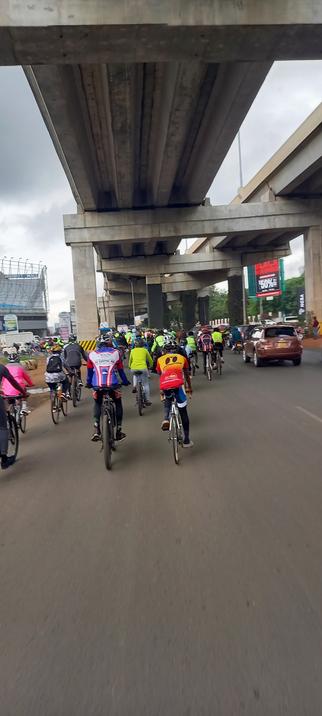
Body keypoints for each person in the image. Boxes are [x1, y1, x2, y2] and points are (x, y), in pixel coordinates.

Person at [86, 334, 130, 442]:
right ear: (109, 343)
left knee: (97, 403)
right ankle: (119, 430)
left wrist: (88, 383)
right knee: (118, 402)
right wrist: (125, 382)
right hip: (113, 385)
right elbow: (120, 371)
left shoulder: (91, 354)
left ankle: (96, 428)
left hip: (97, 385)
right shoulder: (116, 353)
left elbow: (89, 372)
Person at [156, 342, 193, 448]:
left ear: (164, 352)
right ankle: (186, 440)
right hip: (178, 384)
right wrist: (189, 387)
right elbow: (186, 374)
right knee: (183, 412)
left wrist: (161, 389)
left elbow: (160, 375)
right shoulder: (182, 358)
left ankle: (166, 418)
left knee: (168, 399)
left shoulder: (160, 360)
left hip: (165, 384)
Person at [0, 364, 27, 469]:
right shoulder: (2, 368)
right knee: (2, 427)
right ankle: (4, 458)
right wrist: (23, 392)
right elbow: (13, 382)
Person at [128, 338, 153, 405]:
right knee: (146, 384)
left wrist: (130, 366)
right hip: (143, 368)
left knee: (135, 375)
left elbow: (130, 361)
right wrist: (151, 366)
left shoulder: (132, 351)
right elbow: (150, 360)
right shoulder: (145, 350)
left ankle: (135, 386)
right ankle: (147, 400)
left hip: (133, 368)